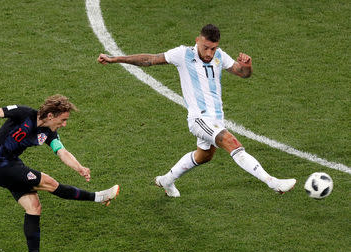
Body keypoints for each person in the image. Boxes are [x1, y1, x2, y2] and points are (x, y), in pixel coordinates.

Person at [98, 24, 296, 197]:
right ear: (197, 41)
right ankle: (272, 182)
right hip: (199, 119)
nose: (209, 53)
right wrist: (115, 59)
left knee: (205, 155)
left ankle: (166, 180)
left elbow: (242, 74)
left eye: (213, 48)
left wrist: (248, 67)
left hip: (217, 119)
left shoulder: (219, 56)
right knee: (231, 142)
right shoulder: (184, 54)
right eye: (206, 47)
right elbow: (149, 59)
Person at [0, 94, 119, 252]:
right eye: (63, 119)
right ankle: (98, 197)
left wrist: (80, 168)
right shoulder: (24, 114)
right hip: (1, 167)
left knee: (34, 207)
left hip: (12, 165)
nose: (64, 124)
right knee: (50, 183)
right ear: (51, 115)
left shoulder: (49, 132)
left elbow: (62, 152)